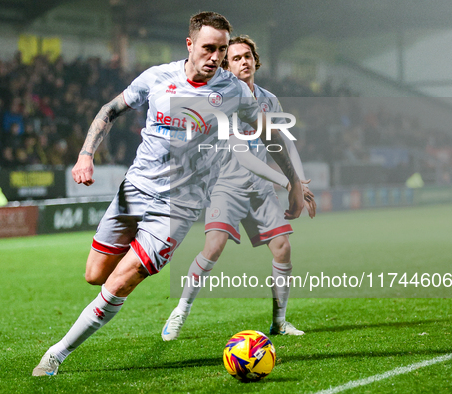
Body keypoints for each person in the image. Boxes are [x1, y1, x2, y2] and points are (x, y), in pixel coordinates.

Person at [32, 11, 304, 376]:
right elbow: (109, 111)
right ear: (190, 45)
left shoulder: (233, 91)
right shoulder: (157, 78)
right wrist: (85, 155)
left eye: (222, 50)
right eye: (209, 48)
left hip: (177, 207)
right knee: (95, 275)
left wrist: (295, 184)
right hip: (135, 190)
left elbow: (270, 134)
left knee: (121, 281)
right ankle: (139, 254)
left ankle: (56, 355)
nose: (216, 58)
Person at [161, 36, 317, 342]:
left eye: (247, 56)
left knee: (283, 247)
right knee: (213, 247)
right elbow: (242, 155)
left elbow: (283, 142)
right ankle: (180, 311)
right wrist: (288, 182)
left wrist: (299, 180)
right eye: (235, 58)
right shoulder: (223, 100)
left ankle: (279, 321)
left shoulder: (268, 100)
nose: (243, 61)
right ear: (226, 66)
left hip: (260, 188)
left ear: (255, 60)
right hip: (226, 184)